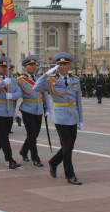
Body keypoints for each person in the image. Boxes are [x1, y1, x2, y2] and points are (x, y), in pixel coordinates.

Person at [33, 52, 84, 185]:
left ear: (69, 66)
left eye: (64, 64)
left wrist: (81, 119)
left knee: (69, 146)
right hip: (60, 117)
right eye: (59, 64)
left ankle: (53, 161)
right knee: (67, 145)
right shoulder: (51, 80)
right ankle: (70, 174)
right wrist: (45, 74)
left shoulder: (75, 79)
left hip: (73, 116)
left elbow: (78, 101)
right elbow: (35, 87)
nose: (62, 67)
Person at [0, 56, 22, 169]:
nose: (5, 68)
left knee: (3, 136)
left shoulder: (12, 79)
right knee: (4, 137)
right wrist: (2, 83)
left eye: (6, 66)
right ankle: (10, 159)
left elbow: (19, 92)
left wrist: (12, 95)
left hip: (9, 111)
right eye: (2, 66)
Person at [17, 55, 50, 166]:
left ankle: (23, 150)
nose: (33, 67)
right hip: (27, 109)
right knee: (31, 134)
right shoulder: (21, 80)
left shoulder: (40, 79)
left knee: (35, 134)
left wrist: (48, 108)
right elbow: (18, 93)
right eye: (30, 65)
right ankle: (35, 157)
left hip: (39, 109)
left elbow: (45, 94)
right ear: (25, 67)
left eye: (34, 65)